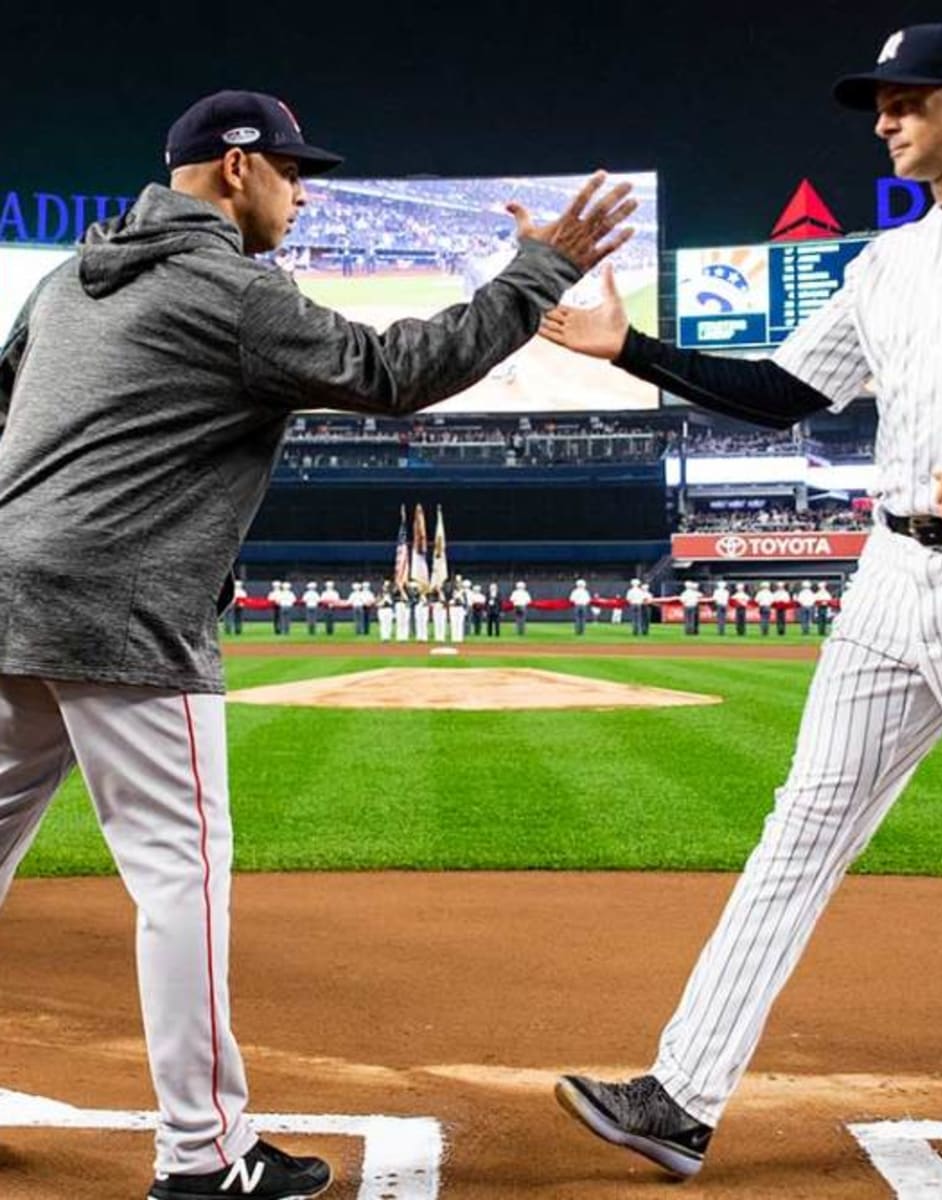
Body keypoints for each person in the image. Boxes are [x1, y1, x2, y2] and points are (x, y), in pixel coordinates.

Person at [542, 27, 942, 1199]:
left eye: (902, 103)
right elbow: (783, 393)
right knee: (799, 832)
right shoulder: (885, 262)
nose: (884, 124)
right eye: (878, 108)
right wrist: (625, 347)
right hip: (892, 578)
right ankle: (681, 1098)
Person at [0, 87, 636, 1200]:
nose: (305, 194)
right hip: (125, 614)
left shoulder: (63, 278)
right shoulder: (229, 288)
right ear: (235, 169)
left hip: (6, 596)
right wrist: (540, 270)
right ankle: (202, 1160)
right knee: (180, 882)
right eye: (294, 173)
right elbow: (392, 374)